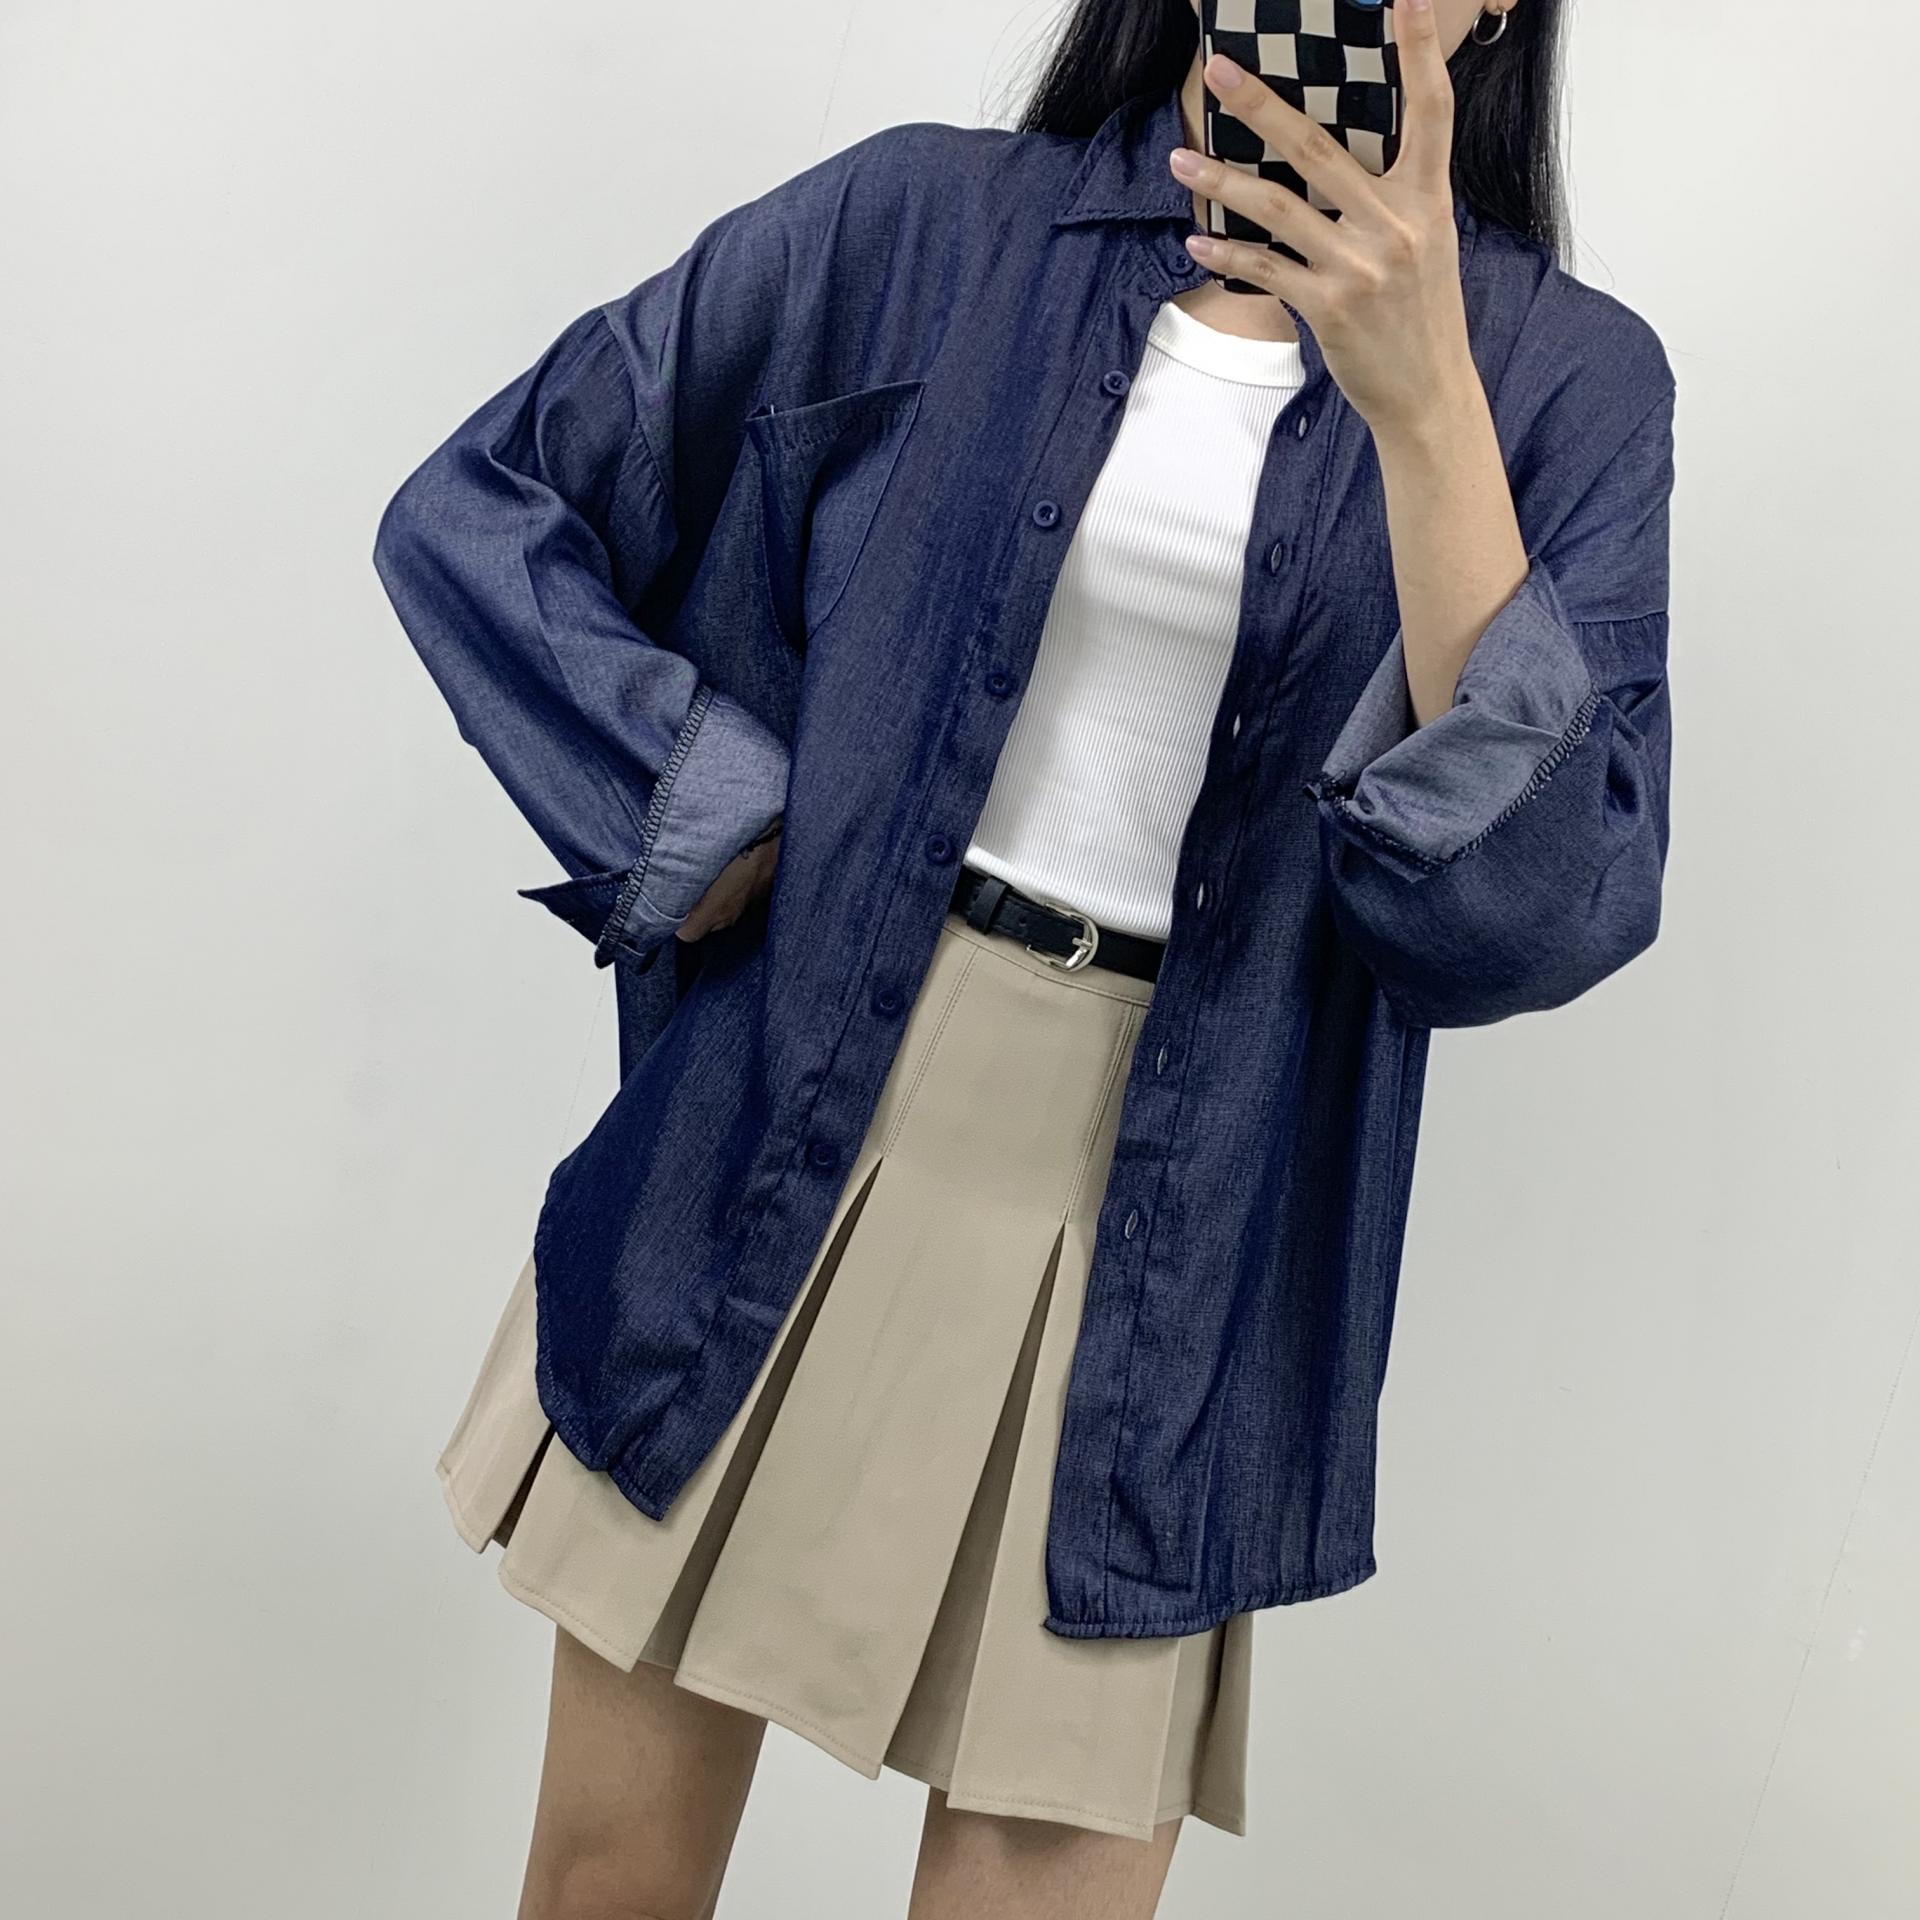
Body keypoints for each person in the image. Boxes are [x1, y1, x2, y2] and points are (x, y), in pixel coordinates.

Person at [371, 0, 1676, 1913]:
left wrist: (1425, 404)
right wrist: (704, 810)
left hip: (1185, 1239)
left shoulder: (1568, 387)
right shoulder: (921, 225)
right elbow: (482, 509)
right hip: (782, 1138)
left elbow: (1543, 910)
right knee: (606, 1885)